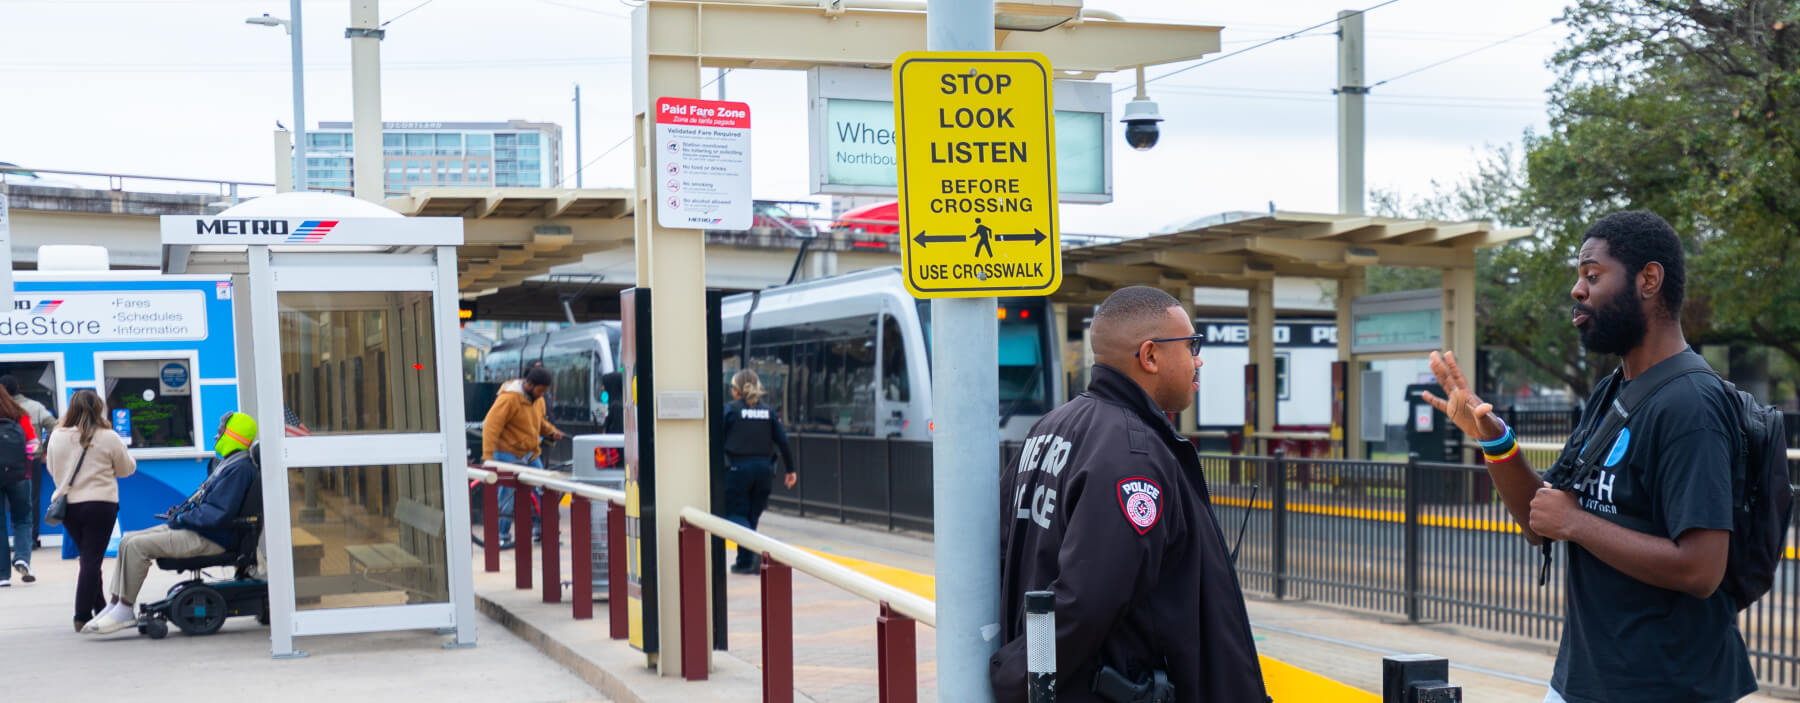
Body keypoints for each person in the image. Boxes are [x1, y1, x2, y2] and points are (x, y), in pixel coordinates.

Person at [1423, 211, 1754, 703]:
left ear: (1649, 279)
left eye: (1592, 275)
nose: (1577, 290)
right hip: (1582, 680)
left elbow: (1701, 570)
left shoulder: (1691, 406)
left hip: (1666, 689)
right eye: (1579, 277)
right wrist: (1493, 439)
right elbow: (1543, 519)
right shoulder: (1611, 392)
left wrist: (1577, 524)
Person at [991, 286, 1267, 703]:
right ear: (1150, 355)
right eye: (1191, 346)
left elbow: (1004, 556)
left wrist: (1028, 672)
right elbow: (1084, 602)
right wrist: (1025, 672)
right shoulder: (1132, 452)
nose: (1199, 359)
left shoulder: (1049, 428)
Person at [81, 412, 258, 635]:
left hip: (211, 538)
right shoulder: (229, 465)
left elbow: (217, 514)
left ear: (232, 435)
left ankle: (125, 609)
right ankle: (115, 603)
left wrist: (183, 518)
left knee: (137, 546)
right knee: (128, 539)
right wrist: (182, 515)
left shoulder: (239, 470)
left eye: (221, 432)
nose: (216, 437)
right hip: (202, 531)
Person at [45, 390, 135, 632]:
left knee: (88, 559)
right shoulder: (108, 436)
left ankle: (101, 608)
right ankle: (81, 615)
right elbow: (125, 469)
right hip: (101, 505)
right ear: (99, 408)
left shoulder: (57, 436)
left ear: (71, 408)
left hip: (69, 507)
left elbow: (53, 470)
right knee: (91, 560)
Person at [719, 369, 796, 574]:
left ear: (736, 391)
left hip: (737, 470)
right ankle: (745, 562)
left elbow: (715, 440)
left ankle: (752, 555)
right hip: (764, 471)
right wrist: (791, 469)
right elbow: (783, 441)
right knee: (751, 516)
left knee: (734, 514)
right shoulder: (768, 413)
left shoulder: (730, 411)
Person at [481, 366, 563, 548]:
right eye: (540, 391)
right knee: (507, 495)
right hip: (508, 452)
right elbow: (490, 426)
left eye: (545, 392)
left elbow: (538, 422)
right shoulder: (509, 399)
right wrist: (488, 458)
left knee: (545, 489)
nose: (542, 395)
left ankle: (545, 531)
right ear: (529, 384)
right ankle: (501, 535)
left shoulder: (538, 400)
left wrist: (550, 431)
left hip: (531, 453)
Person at [0, 375, 55, 551]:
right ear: (18, 388)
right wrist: (46, 448)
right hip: (29, 461)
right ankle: (29, 541)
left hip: (2, 463)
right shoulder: (34, 407)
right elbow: (54, 425)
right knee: (30, 501)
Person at [0, 386, 38, 587]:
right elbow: (33, 443)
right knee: (23, 519)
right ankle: (22, 557)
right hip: (20, 474)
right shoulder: (19, 414)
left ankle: (2, 575)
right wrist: (26, 459)